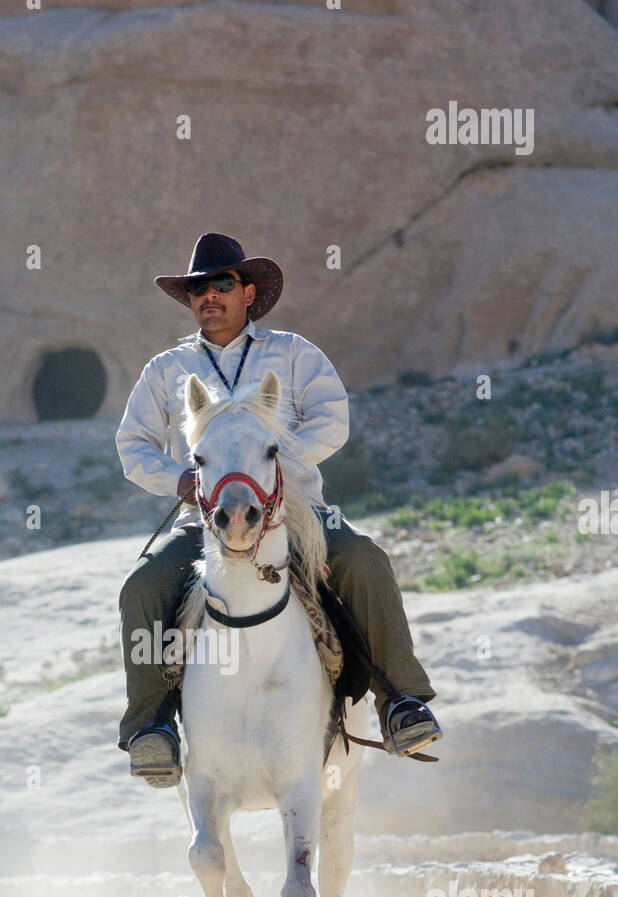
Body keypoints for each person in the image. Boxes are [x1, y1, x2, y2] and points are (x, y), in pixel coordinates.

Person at [116, 232, 441, 787]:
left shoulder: (293, 354)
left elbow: (332, 419)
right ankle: (152, 728)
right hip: (206, 521)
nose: (208, 296)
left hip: (295, 514)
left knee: (363, 559)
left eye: (221, 284)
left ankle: (401, 701)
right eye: (197, 288)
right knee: (142, 587)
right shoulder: (166, 370)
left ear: (248, 292)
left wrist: (273, 468)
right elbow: (133, 445)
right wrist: (181, 480)